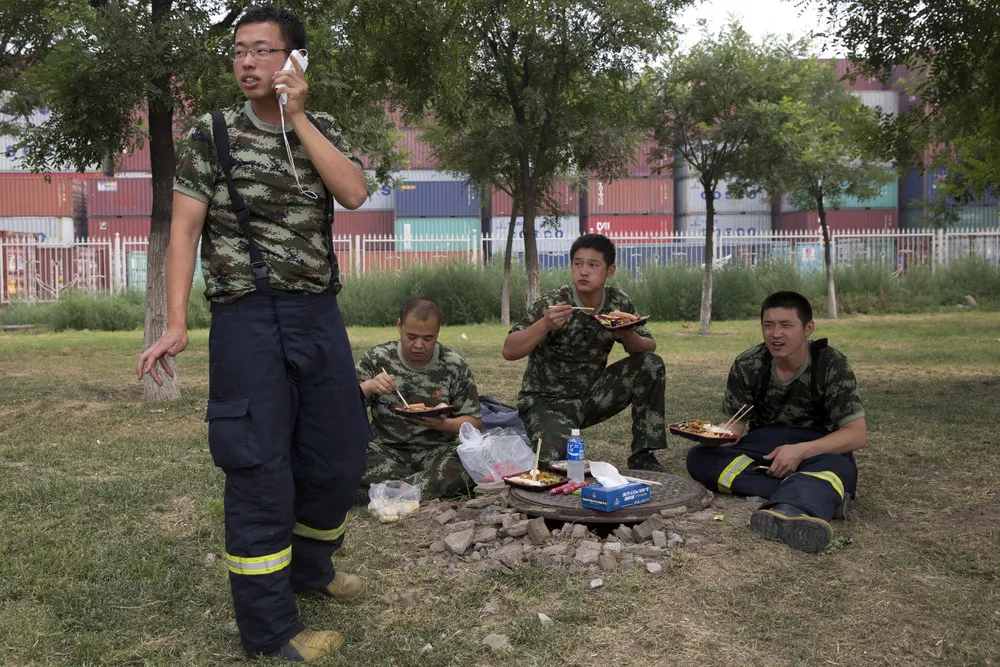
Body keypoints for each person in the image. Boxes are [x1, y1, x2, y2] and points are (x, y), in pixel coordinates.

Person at [136, 6, 371, 662]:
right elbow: (183, 229)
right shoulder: (212, 134)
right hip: (247, 318)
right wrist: (178, 320)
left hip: (318, 312)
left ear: (294, 62)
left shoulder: (320, 128)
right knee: (260, 467)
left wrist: (298, 117)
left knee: (339, 451)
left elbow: (353, 192)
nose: (247, 63)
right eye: (240, 51)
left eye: (265, 51)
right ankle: (269, 632)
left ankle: (312, 569)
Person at [686, 291, 867, 553]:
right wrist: (717, 437)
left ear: (808, 328)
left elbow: (856, 435)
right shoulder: (749, 364)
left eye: (786, 325)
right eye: (768, 325)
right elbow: (736, 424)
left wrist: (800, 451)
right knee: (699, 459)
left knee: (840, 467)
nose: (775, 334)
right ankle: (812, 493)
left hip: (817, 449)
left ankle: (790, 509)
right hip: (765, 447)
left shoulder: (830, 365)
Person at [501, 233, 667, 472]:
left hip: (591, 397)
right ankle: (547, 434)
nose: (583, 271)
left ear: (610, 270)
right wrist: (544, 325)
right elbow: (509, 350)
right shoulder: (554, 304)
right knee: (560, 468)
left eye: (592, 265)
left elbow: (648, 347)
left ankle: (643, 454)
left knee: (650, 365)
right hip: (547, 402)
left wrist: (626, 334)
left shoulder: (618, 303)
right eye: (578, 264)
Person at [357, 297, 482, 499]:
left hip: (437, 453)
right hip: (385, 451)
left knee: (469, 462)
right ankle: (423, 488)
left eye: (428, 338)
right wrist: (369, 387)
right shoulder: (377, 359)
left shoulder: (453, 365)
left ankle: (393, 491)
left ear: (438, 332)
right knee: (347, 458)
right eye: (411, 336)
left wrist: (443, 424)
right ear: (399, 326)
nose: (418, 345)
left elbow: (474, 424)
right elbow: (342, 407)